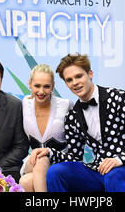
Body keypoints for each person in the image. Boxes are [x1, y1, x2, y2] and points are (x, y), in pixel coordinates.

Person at [34, 53, 125, 192]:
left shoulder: (118, 97)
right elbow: (74, 157)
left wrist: (118, 160)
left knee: (113, 175)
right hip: (99, 171)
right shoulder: (72, 116)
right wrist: (50, 152)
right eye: (69, 80)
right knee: (56, 171)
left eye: (79, 76)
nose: (75, 83)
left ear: (90, 74)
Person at [19, 64, 74, 192]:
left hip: (60, 162)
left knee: (25, 182)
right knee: (40, 160)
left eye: (46, 86)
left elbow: (76, 141)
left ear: (53, 86)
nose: (41, 91)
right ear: (30, 84)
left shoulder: (66, 105)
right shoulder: (24, 104)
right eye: (37, 86)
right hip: (33, 161)